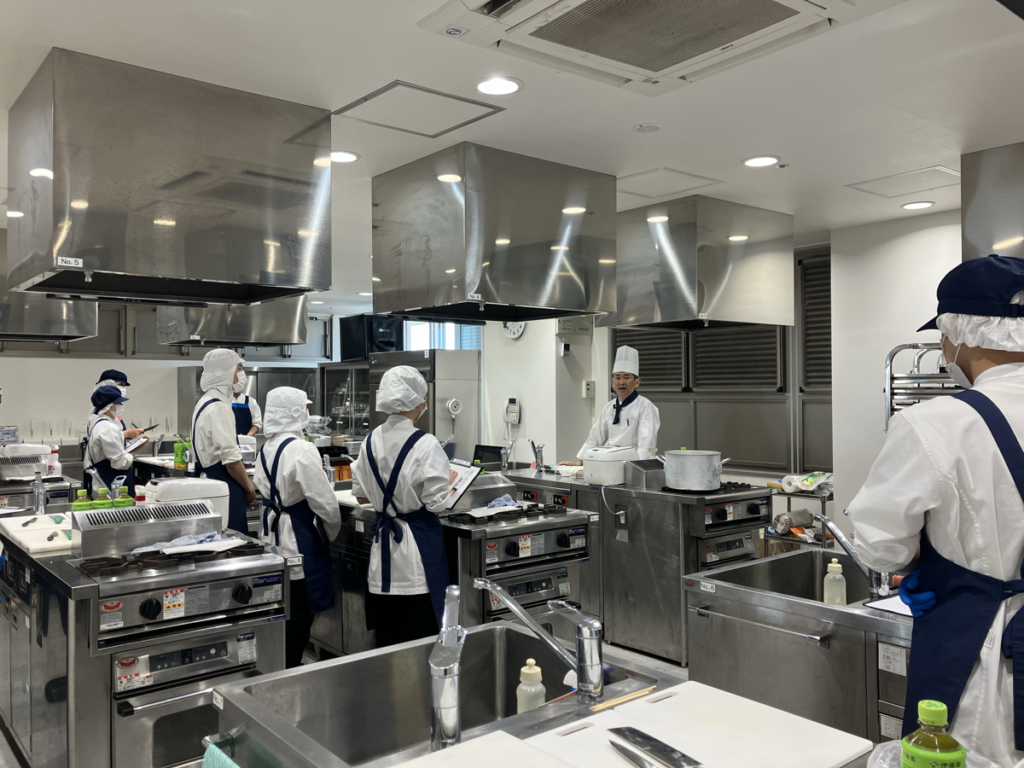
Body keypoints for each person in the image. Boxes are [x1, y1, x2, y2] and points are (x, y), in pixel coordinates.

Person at [848, 255, 1024, 767]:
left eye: (943, 336)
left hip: (984, 650)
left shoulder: (937, 424)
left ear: (960, 335)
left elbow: (881, 546)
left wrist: (925, 564)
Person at [351, 365, 455, 648]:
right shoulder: (426, 444)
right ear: (418, 400)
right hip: (416, 559)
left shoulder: (369, 441)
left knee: (388, 644)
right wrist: (450, 483)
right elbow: (436, 505)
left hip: (381, 560)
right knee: (420, 644)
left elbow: (360, 496)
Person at [254, 387, 340, 668]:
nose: (307, 413)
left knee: (280, 609)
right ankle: (289, 670)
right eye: (304, 408)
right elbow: (324, 502)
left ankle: (276, 665)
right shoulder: (302, 449)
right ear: (294, 412)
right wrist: (330, 533)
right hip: (297, 537)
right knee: (299, 613)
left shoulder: (266, 447)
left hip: (271, 535)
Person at [560, 345, 661, 465]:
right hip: (611, 464)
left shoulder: (646, 407)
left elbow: (646, 445)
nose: (621, 382)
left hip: (635, 465)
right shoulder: (609, 408)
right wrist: (579, 463)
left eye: (627, 377)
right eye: (617, 377)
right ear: (613, 382)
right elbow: (595, 437)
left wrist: (639, 469)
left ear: (637, 382)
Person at [191, 349, 256, 532]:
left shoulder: (206, 400)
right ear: (224, 372)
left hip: (211, 482)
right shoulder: (219, 407)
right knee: (231, 539)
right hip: (223, 486)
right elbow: (232, 461)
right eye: (239, 368)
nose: (242, 374)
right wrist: (249, 488)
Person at [84, 385, 148, 497]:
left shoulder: (100, 423)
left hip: (104, 482)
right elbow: (120, 463)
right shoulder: (108, 427)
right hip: (111, 485)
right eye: (118, 403)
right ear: (109, 406)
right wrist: (138, 447)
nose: (121, 406)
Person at [94, 369, 143, 441]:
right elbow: (107, 437)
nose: (123, 389)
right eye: (121, 385)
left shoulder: (113, 413)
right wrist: (126, 434)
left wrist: (128, 435)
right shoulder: (98, 414)